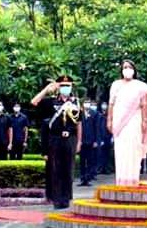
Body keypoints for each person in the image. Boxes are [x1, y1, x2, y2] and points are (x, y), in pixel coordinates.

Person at [32, 76, 82, 209]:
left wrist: (79, 142)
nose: (66, 87)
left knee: (68, 169)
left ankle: (66, 198)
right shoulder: (51, 102)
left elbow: (79, 123)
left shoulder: (75, 102)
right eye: (63, 85)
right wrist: (46, 89)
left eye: (68, 85)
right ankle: (57, 198)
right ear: (58, 87)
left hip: (70, 139)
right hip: (55, 139)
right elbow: (34, 102)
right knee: (56, 169)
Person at [107, 60, 147, 186]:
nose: (127, 69)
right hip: (119, 122)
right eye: (125, 67)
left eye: (130, 67)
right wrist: (109, 120)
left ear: (134, 70)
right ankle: (121, 180)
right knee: (121, 151)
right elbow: (111, 104)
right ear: (121, 70)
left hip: (135, 120)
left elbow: (146, 103)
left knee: (134, 150)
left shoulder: (140, 86)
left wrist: (145, 121)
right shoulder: (116, 84)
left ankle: (133, 180)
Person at [78, 100, 101, 186]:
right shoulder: (79, 113)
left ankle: (88, 178)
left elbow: (97, 128)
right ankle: (82, 178)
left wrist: (96, 141)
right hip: (82, 140)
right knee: (82, 161)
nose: (86, 104)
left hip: (91, 140)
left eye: (88, 102)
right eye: (85, 102)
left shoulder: (95, 114)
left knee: (90, 160)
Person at [98, 100, 113, 173]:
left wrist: (112, 136)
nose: (104, 106)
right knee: (100, 154)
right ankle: (100, 168)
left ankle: (106, 168)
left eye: (105, 105)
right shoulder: (98, 114)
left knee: (107, 154)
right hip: (101, 136)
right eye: (103, 104)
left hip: (108, 136)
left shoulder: (109, 115)